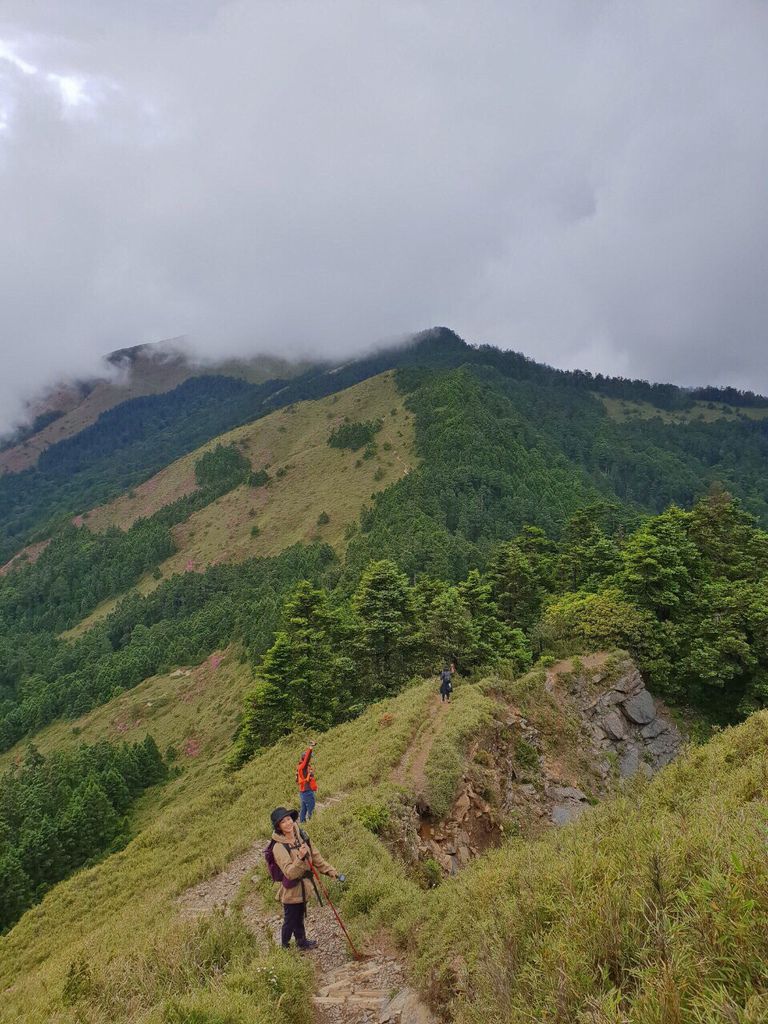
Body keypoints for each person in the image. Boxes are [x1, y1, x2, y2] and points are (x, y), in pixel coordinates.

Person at [269, 806, 339, 950]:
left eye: (288, 819)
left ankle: (301, 942)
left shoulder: (301, 835)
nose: (287, 823)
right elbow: (290, 872)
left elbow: (316, 857)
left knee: (299, 916)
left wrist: (331, 871)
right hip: (291, 891)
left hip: (304, 887)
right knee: (290, 920)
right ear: (278, 827)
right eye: (283, 822)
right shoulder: (278, 847)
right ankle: (284, 948)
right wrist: (300, 858)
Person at [296, 742, 318, 822]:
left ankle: (302, 823)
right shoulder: (303, 766)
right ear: (304, 759)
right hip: (307, 791)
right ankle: (314, 824)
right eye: (309, 758)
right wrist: (311, 747)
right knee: (311, 809)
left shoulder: (300, 767)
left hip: (303, 791)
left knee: (303, 809)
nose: (310, 759)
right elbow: (307, 758)